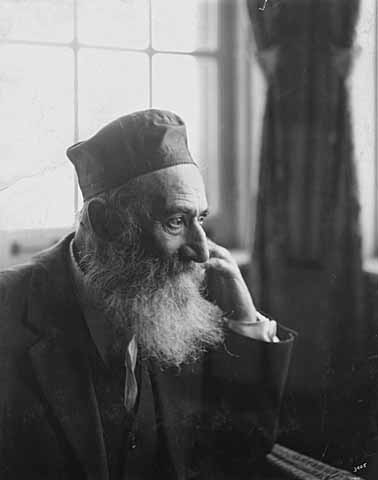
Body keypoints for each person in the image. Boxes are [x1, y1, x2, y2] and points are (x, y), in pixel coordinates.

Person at [0, 109, 295, 480]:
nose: (202, 252)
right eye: (176, 221)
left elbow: (241, 449)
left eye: (200, 219)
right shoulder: (8, 310)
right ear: (106, 222)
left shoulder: (182, 305)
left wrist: (246, 317)